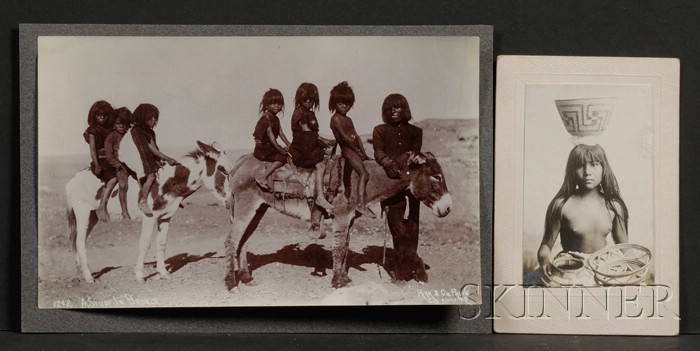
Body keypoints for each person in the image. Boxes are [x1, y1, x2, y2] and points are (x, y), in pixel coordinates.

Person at [537, 144, 629, 275]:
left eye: (594, 164)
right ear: (572, 170)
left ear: (604, 169)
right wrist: (544, 260)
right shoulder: (561, 205)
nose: (587, 172)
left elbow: (624, 247)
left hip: (604, 268)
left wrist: (630, 267)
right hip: (571, 268)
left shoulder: (614, 206)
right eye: (580, 165)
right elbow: (546, 245)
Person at [372, 93, 424, 281]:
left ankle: (411, 265)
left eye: (398, 107)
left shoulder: (416, 132)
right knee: (398, 228)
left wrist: (407, 155)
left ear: (405, 110)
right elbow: (378, 150)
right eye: (390, 108)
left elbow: (416, 153)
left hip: (412, 185)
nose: (394, 111)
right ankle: (405, 270)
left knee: (412, 226)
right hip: (390, 185)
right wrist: (386, 162)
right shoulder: (380, 130)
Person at [328, 81, 375, 218]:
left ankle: (356, 201)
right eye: (340, 103)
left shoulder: (348, 119)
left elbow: (356, 137)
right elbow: (345, 138)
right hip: (347, 150)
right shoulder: (335, 119)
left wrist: (363, 152)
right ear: (333, 103)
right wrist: (358, 151)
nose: (344, 106)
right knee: (364, 174)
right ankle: (361, 204)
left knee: (360, 175)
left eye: (347, 103)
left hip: (354, 149)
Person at [288, 83, 335, 211]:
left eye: (311, 98)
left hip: (309, 145)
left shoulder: (309, 112)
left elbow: (313, 133)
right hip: (302, 150)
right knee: (321, 165)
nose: (308, 101)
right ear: (299, 98)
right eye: (305, 98)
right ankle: (320, 196)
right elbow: (306, 130)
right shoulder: (299, 112)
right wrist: (323, 139)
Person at [130, 103, 179, 216]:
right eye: (150, 118)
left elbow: (155, 146)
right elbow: (147, 148)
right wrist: (167, 158)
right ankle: (143, 200)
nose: (153, 121)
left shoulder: (150, 132)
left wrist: (159, 159)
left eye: (154, 118)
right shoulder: (136, 130)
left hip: (148, 156)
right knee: (151, 175)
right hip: (140, 156)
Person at [83, 100, 116, 221]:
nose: (101, 117)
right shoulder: (93, 130)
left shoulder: (110, 129)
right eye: (98, 115)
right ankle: (102, 206)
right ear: (94, 116)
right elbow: (92, 149)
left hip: (112, 159)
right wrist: (97, 165)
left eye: (104, 115)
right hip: (101, 161)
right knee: (113, 178)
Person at [253, 88, 291, 191]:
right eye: (273, 103)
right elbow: (272, 138)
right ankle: (262, 176)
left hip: (270, 146)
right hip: (263, 148)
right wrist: (280, 149)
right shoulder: (266, 119)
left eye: (279, 103)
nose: (277, 106)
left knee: (287, 153)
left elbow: (281, 133)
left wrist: (289, 144)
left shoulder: (276, 118)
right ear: (266, 105)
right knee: (282, 158)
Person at [104, 107, 134, 220]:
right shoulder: (111, 138)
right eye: (118, 123)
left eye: (124, 123)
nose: (121, 126)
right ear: (113, 124)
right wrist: (119, 165)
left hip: (133, 163)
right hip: (121, 166)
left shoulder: (130, 136)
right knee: (123, 185)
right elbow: (109, 156)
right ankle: (124, 212)